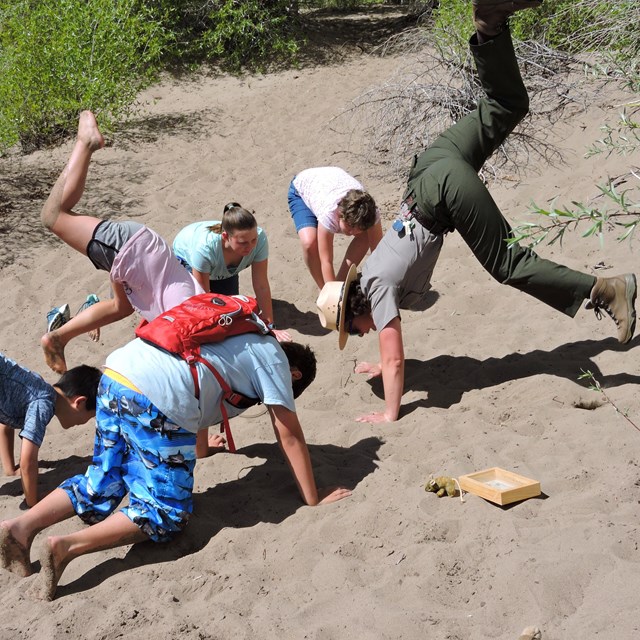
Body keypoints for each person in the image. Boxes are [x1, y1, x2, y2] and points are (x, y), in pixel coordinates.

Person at [316, 0, 637, 424]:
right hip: (428, 169)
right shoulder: (374, 271)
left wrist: (389, 413)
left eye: (352, 330)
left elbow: (394, 358)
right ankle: (490, 27)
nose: (361, 333)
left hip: (442, 192)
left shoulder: (374, 289)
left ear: (353, 310)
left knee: (508, 263)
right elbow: (389, 351)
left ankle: (606, 289)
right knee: (507, 102)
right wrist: (381, 364)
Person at [0, 334, 350, 599]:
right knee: (166, 512)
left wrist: (202, 449)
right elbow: (288, 436)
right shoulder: (274, 362)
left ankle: (20, 526)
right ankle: (67, 547)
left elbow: (198, 377)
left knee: (102, 480)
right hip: (157, 398)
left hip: (115, 376)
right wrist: (313, 497)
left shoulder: (246, 334)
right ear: (294, 373)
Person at [40, 111, 204, 374]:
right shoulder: (193, 324)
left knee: (121, 307)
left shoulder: (208, 319)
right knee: (53, 216)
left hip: (140, 262)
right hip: (132, 249)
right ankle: (85, 142)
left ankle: (57, 337)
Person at [173, 204, 291, 343]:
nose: (250, 247)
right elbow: (203, 298)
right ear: (225, 237)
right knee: (209, 318)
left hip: (222, 267)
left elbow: (261, 285)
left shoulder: (260, 239)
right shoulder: (204, 250)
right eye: (243, 242)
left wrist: (269, 326)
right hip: (186, 256)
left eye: (253, 240)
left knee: (230, 311)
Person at [0, 352, 101, 507]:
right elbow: (27, 460)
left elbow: (5, 422)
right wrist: (33, 503)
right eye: (90, 416)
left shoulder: (36, 384)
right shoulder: (43, 403)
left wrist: (10, 470)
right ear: (79, 402)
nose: (84, 422)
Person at [288, 166, 383, 289]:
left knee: (365, 236)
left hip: (329, 183)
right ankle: (324, 290)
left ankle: (341, 282)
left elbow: (379, 253)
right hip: (301, 190)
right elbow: (326, 261)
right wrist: (332, 294)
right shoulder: (330, 214)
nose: (352, 232)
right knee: (309, 243)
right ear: (340, 215)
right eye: (350, 226)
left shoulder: (372, 214)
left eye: (357, 228)